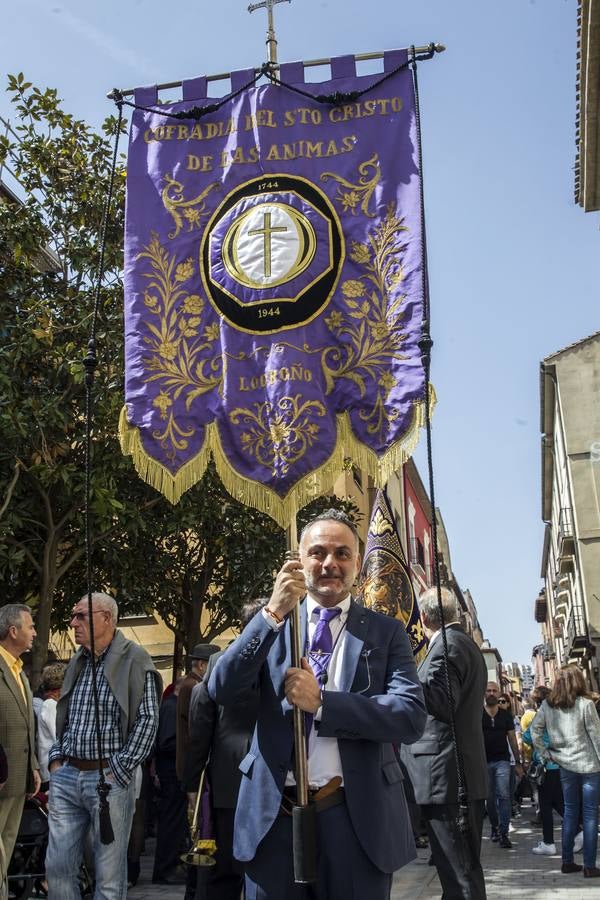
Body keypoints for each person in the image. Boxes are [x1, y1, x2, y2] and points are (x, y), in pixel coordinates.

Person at [209, 508, 427, 900]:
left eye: (342, 553)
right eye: (318, 552)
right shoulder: (274, 624)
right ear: (299, 559)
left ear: (357, 563)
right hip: (273, 819)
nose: (330, 563)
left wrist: (323, 703)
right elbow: (221, 688)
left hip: (355, 818)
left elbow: (410, 716)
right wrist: (272, 612)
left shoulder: (386, 632)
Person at [45, 592, 161, 900]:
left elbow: (148, 719)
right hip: (68, 776)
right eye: (73, 615)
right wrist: (57, 759)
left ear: (106, 618)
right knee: (57, 869)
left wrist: (119, 769)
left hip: (107, 780)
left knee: (108, 877)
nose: (73, 623)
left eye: (81, 616)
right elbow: (65, 715)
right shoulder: (78, 661)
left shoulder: (134, 658)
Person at [401, 586, 488, 900]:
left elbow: (440, 701)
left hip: (449, 779)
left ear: (423, 616)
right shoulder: (462, 644)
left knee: (460, 877)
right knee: (458, 875)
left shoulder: (447, 647)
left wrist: (402, 673)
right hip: (453, 776)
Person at [184, 599, 266, 900]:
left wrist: (192, 784)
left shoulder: (219, 661)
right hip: (273, 779)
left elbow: (200, 727)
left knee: (223, 871)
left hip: (227, 781)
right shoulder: (286, 655)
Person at [531, 664, 600, 878]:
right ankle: (589, 865)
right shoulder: (586, 704)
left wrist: (546, 754)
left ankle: (567, 862)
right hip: (589, 766)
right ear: (578, 680)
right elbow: (597, 738)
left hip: (564, 765)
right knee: (589, 815)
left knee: (570, 813)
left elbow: (534, 731)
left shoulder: (547, 706)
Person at [0, 604, 41, 875]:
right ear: (13, 631)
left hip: (19, 778)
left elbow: (27, 725)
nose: (35, 633)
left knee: (6, 847)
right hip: (2, 777)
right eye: (30, 626)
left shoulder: (19, 670)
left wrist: (33, 766)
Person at [482, 682, 523, 848]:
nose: (491, 693)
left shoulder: (505, 716)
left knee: (504, 796)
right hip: (483, 761)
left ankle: (504, 833)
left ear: (499, 693)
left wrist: (519, 762)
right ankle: (495, 827)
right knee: (489, 800)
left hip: (502, 761)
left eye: (494, 690)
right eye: (488, 690)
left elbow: (512, 739)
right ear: (484, 693)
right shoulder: (477, 714)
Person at [176, 644, 220, 785]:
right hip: (191, 763)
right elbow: (195, 728)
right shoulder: (193, 686)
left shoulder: (192, 684)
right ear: (202, 665)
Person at [37, 662, 66, 790]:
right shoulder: (50, 705)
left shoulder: (54, 704)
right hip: (51, 771)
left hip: (55, 767)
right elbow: (59, 735)